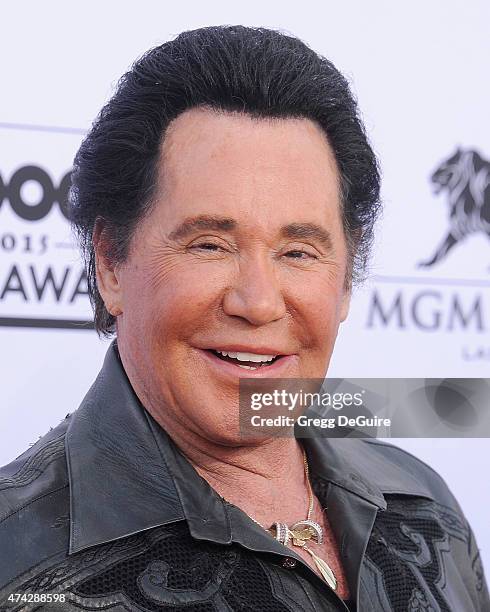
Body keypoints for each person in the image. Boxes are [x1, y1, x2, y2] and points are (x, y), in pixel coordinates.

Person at [0, 25, 487, 612]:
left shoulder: (423, 503)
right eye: (209, 244)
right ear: (110, 263)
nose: (258, 302)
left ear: (346, 276)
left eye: (298, 252)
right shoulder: (15, 560)